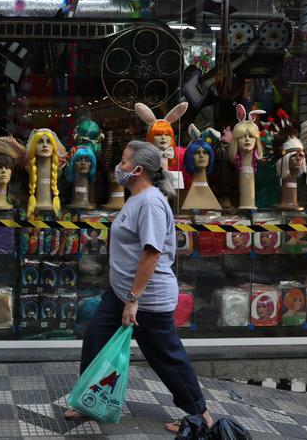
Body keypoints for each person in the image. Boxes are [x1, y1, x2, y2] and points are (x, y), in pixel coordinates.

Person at [64, 141, 213, 434]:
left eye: (122, 162)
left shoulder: (151, 203)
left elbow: (152, 252)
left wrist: (134, 300)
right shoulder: (135, 197)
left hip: (145, 298)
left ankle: (200, 414)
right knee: (95, 337)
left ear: (137, 169)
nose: (118, 167)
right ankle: (88, 401)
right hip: (120, 293)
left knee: (164, 355)